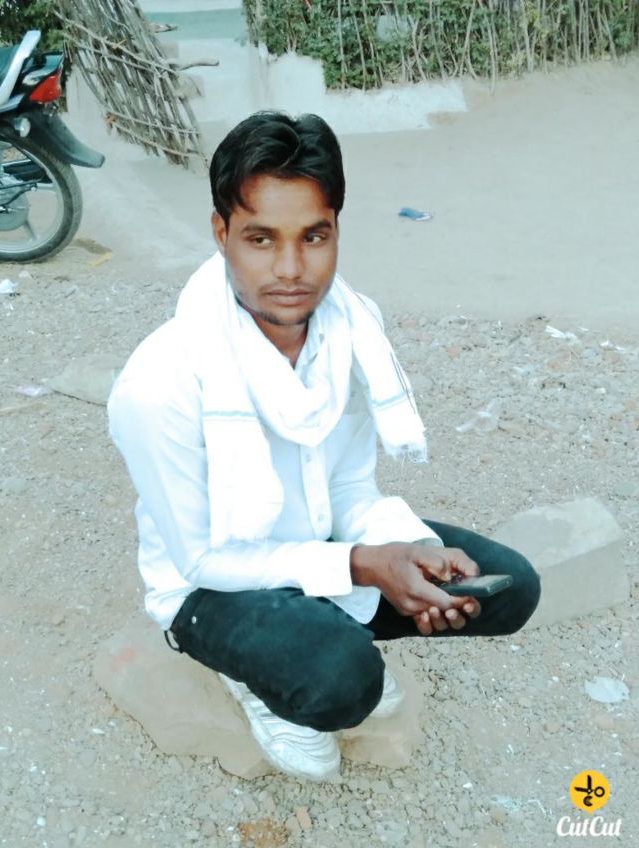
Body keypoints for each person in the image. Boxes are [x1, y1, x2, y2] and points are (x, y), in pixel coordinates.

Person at [107, 111, 541, 781]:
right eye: (260, 239)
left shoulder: (351, 333)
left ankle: (316, 633)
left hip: (320, 539)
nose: (290, 270)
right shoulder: (160, 383)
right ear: (222, 234)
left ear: (336, 229)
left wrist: (405, 548)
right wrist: (365, 566)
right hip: (208, 588)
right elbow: (202, 558)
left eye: (313, 236)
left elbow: (347, 487)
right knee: (341, 681)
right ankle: (253, 676)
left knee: (509, 586)